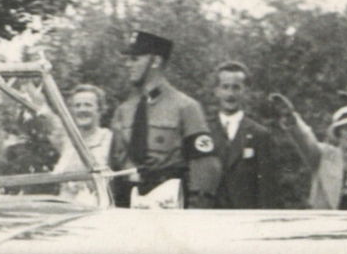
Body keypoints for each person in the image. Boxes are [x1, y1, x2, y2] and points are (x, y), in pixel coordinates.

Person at [106, 31, 220, 208]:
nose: (128, 64)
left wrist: (196, 209)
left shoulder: (185, 107)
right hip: (128, 204)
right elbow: (114, 165)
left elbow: (205, 166)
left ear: (156, 61)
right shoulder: (124, 110)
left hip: (168, 204)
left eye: (135, 59)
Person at [271, 94, 347, 211]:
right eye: (346, 128)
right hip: (326, 224)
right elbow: (305, 140)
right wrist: (291, 118)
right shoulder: (323, 157)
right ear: (338, 133)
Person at [209, 61, 285, 209]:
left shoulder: (260, 135)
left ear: (246, 92)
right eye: (225, 87)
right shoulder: (204, 131)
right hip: (210, 216)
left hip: (246, 216)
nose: (230, 94)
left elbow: (268, 190)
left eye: (236, 87)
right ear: (216, 91)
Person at [53, 84, 112, 201]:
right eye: (77, 106)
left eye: (88, 105)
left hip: (97, 207)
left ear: (100, 109)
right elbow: (43, 111)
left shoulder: (109, 139)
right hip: (66, 206)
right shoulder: (67, 141)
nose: (82, 110)